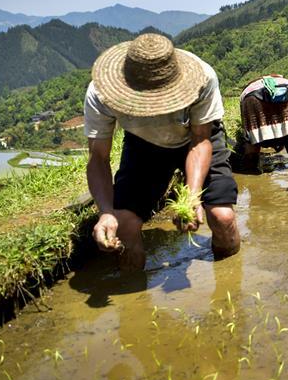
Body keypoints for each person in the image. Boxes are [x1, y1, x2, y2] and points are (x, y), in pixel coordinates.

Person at [84, 33, 240, 270]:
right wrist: (105, 212)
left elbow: (200, 140)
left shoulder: (203, 77)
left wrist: (192, 194)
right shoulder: (100, 94)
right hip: (143, 145)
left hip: (195, 137)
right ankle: (133, 296)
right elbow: (98, 157)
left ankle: (229, 281)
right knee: (124, 224)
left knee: (222, 218)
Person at [231, 75, 288, 176]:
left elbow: (246, 128)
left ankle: (251, 171)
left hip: (252, 98)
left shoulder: (247, 91)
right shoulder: (286, 82)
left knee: (252, 141)